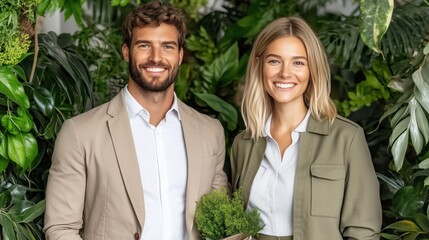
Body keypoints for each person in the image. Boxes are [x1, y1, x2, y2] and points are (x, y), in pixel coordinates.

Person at [43, 1, 229, 239]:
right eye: (144, 45)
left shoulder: (210, 131)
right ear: (126, 51)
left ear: (180, 55)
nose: (156, 57)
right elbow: (61, 228)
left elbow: (220, 222)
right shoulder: (80, 133)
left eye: (168, 47)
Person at [230, 17, 382, 240]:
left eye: (298, 62)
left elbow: (363, 232)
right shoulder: (243, 144)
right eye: (274, 61)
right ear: (258, 65)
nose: (285, 73)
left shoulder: (346, 138)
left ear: (313, 69)